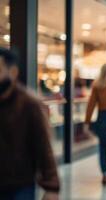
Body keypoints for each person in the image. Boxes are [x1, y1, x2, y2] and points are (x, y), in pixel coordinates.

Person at [0, 48, 60, 200]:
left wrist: (51, 186)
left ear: (12, 72)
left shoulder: (29, 103)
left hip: (19, 184)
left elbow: (44, 144)